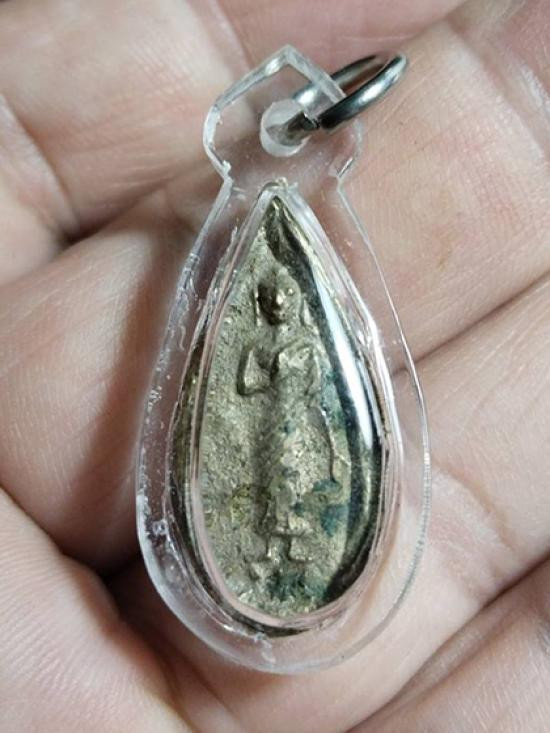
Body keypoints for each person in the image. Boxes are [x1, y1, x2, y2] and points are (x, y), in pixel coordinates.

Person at [0, 0, 548, 731]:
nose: (279, 302)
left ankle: (297, 555)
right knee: (262, 494)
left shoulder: (302, 322)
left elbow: (319, 403)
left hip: (304, 436)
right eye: (272, 297)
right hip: (257, 440)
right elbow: (244, 384)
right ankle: (268, 558)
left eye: (283, 298)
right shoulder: (256, 321)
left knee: (294, 490)